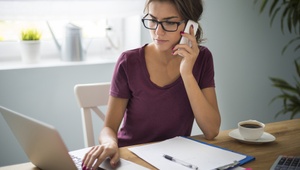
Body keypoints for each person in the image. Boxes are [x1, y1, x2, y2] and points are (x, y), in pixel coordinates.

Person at [81, 0, 221, 169]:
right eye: (153, 20)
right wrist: (110, 143)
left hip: (173, 161)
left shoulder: (202, 59)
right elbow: (109, 127)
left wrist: (187, 73)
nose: (157, 31)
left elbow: (211, 131)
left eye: (169, 22)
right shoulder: (128, 62)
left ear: (190, 26)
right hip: (129, 159)